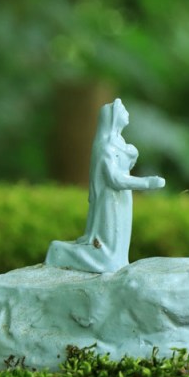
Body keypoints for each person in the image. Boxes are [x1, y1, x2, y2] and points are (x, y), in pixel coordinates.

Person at [45, 99, 165, 273]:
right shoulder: (106, 147)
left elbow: (124, 168)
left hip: (122, 199)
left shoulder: (120, 143)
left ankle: (118, 260)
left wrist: (132, 155)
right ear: (114, 117)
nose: (127, 113)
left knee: (120, 239)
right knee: (108, 244)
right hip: (109, 201)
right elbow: (115, 179)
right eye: (122, 110)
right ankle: (60, 252)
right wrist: (147, 182)